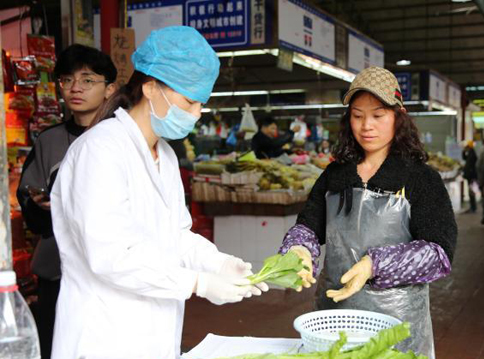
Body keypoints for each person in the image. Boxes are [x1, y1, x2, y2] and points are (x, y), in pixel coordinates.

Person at [49, 27, 268, 359]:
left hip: (155, 334)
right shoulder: (100, 150)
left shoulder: (164, 155)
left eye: (200, 104)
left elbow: (176, 236)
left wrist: (219, 263)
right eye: (189, 101)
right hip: (105, 335)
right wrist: (199, 283)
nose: (195, 114)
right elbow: (110, 255)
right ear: (150, 88)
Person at [277, 67, 457, 358]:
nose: (366, 126)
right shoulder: (336, 174)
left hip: (395, 325)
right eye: (357, 115)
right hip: (332, 320)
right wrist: (299, 248)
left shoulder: (420, 178)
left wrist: (375, 265)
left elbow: (439, 254)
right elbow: (309, 225)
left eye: (378, 115)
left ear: (398, 116)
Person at [17, 44, 117, 359]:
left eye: (88, 80)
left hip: (111, 274)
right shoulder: (48, 141)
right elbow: (30, 205)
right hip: (56, 273)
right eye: (67, 80)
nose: (75, 88)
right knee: (56, 348)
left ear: (109, 88)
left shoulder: (123, 138)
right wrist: (40, 205)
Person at [462, 140, 478, 213]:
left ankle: (473, 207)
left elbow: (469, 165)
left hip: (472, 176)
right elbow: (465, 158)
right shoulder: (471, 153)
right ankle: (472, 207)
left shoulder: (472, 154)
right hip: (471, 176)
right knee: (471, 192)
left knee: (472, 192)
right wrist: (463, 152)